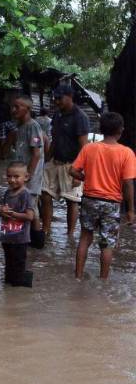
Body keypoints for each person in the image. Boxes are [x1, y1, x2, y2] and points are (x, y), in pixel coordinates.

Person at [70, 112, 136, 280]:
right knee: (107, 244)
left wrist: (86, 178)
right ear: (121, 130)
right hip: (111, 203)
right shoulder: (126, 153)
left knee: (85, 238)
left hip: (89, 200)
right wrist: (131, 210)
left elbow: (73, 170)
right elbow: (128, 183)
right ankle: (103, 281)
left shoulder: (89, 148)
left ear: (101, 129)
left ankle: (78, 277)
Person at [42, 85, 89, 236]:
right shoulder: (57, 115)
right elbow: (54, 139)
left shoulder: (80, 117)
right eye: (55, 98)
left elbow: (84, 147)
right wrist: (46, 160)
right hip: (54, 162)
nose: (56, 101)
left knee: (72, 201)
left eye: (59, 98)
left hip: (71, 165)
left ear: (70, 96)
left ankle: (69, 235)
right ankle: (46, 230)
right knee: (45, 194)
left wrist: (79, 172)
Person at [9, 96, 45, 240]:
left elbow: (36, 154)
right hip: (22, 175)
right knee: (24, 205)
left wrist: (28, 175)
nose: (14, 110)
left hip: (30, 176)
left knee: (32, 207)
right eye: (13, 106)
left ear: (28, 109)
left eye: (17, 107)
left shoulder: (33, 126)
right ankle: (27, 238)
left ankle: (37, 240)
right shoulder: (20, 126)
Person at [0, 161, 36, 287]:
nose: (12, 180)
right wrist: (1, 212)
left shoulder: (26, 195)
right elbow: (3, 213)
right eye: (9, 176)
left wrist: (12, 213)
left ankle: (18, 294)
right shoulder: (7, 193)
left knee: (18, 268)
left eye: (16, 177)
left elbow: (30, 216)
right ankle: (9, 294)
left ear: (26, 177)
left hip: (20, 239)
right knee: (8, 268)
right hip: (7, 236)